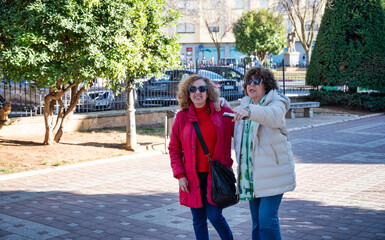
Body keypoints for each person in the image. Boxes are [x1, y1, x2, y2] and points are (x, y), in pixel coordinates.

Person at [231, 67, 296, 240]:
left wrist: (250, 112)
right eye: (248, 81)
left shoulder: (277, 102)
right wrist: (218, 101)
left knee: (267, 221)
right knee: (258, 223)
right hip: (251, 175)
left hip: (273, 173)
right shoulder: (244, 106)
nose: (251, 84)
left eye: (256, 81)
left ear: (265, 84)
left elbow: (274, 116)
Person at [168, 74, 234, 240]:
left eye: (202, 89)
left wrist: (224, 101)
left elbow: (241, 125)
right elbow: (174, 149)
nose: (198, 93)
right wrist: (180, 175)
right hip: (192, 178)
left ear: (208, 91)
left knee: (214, 216)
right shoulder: (182, 117)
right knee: (198, 219)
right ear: (188, 93)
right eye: (193, 89)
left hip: (216, 176)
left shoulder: (221, 111)